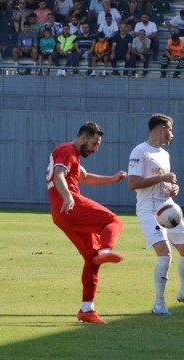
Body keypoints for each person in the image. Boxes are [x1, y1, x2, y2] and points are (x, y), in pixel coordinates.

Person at [128, 114, 184, 316]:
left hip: (168, 207)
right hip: (149, 211)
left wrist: (173, 188)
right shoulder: (140, 151)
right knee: (164, 253)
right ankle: (159, 304)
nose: (172, 135)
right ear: (162, 128)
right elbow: (133, 183)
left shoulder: (164, 154)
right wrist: (163, 177)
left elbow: (165, 183)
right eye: (171, 130)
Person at [46, 121, 126, 324]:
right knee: (113, 221)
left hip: (62, 214)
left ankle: (87, 309)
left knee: (91, 260)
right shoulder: (67, 149)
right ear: (83, 138)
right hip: (69, 206)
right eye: (94, 143)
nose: (95, 148)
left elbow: (86, 178)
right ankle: (106, 251)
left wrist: (112, 179)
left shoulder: (72, 155)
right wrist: (67, 196)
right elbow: (58, 176)